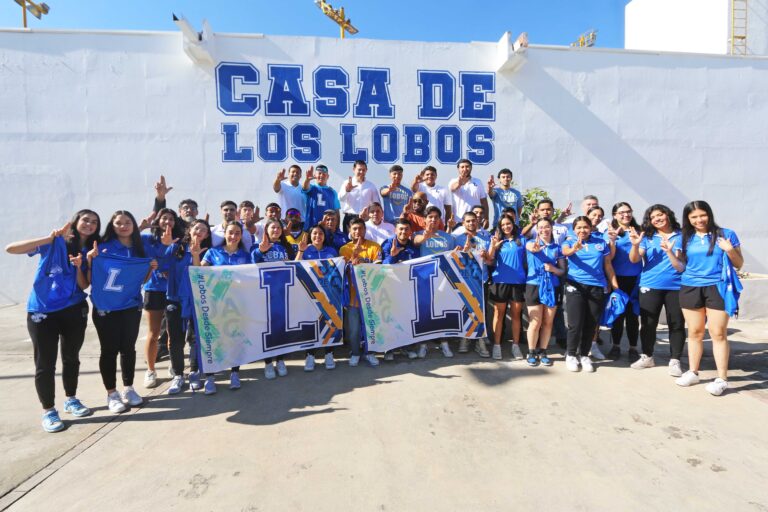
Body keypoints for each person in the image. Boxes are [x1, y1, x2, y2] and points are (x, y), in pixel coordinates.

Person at [6, 210, 100, 432]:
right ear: (76, 222)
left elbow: (84, 285)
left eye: (94, 222)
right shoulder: (54, 243)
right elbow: (11, 248)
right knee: (45, 364)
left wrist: (81, 265)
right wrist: (48, 238)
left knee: (71, 358)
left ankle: (71, 399)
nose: (89, 224)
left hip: (74, 309)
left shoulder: (91, 251)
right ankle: (49, 410)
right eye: (86, 220)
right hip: (42, 311)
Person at [88, 210, 161, 413]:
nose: (123, 226)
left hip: (130, 305)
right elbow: (92, 274)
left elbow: (141, 280)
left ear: (133, 224)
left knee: (128, 348)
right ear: (112, 225)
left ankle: (129, 388)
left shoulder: (139, 248)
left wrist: (150, 269)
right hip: (106, 307)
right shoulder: (102, 247)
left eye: (127, 222)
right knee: (109, 350)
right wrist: (89, 259)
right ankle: (112, 393)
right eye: (119, 222)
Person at [671, 200, 743, 396]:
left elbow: (739, 264)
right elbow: (680, 267)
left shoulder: (726, 234)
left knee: (718, 333)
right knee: (695, 332)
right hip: (690, 287)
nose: (699, 219)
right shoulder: (683, 238)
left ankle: (722, 379)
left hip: (717, 287)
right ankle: (693, 372)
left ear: (709, 214)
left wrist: (729, 249)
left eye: (702, 215)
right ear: (688, 219)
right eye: (693, 217)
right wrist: (669, 252)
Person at [628, 204, 686, 375]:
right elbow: (634, 259)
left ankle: (675, 360)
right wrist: (635, 245)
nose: (657, 219)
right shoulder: (647, 237)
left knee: (676, 323)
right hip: (650, 284)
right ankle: (647, 356)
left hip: (676, 286)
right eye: (653, 217)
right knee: (648, 323)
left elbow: (682, 264)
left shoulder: (682, 236)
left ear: (668, 215)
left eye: (660, 215)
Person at [198, 221, 251, 393]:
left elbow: (250, 277)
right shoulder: (213, 252)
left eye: (237, 233)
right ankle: (210, 378)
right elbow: (200, 272)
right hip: (214, 304)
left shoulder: (245, 255)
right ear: (224, 234)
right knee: (213, 341)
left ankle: (235, 374)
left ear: (241, 235)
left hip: (236, 304)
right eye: (230, 232)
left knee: (234, 339)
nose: (233, 236)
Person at [561, 216, 618, 373]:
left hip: (597, 287)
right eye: (578, 227)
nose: (582, 230)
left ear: (590, 228)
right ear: (574, 229)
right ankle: (571, 354)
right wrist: (575, 248)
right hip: (575, 285)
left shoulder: (600, 243)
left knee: (591, 324)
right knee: (575, 323)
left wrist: (615, 287)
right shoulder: (569, 241)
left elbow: (608, 265)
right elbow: (565, 251)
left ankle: (585, 355)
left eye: (585, 227)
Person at [164, 219, 211, 393]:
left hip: (197, 301)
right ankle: (177, 375)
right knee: (175, 340)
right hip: (175, 300)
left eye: (203, 230)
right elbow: (161, 265)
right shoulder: (176, 248)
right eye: (196, 227)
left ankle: (194, 372)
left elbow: (201, 274)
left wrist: (196, 255)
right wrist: (165, 247)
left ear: (207, 235)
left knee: (195, 339)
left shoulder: (207, 252)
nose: (199, 231)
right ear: (189, 230)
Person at [413, 207, 467, 358]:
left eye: (436, 217)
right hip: (424, 279)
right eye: (430, 217)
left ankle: (444, 344)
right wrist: (426, 236)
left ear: (440, 220)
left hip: (444, 279)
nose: (433, 220)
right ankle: (423, 345)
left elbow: (451, 256)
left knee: (443, 313)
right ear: (425, 219)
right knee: (425, 314)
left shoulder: (448, 237)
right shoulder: (418, 234)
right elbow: (416, 242)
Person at [141, 208, 184, 389]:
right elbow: (127, 240)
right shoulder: (147, 240)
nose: (168, 222)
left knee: (173, 333)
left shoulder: (179, 242)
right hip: (154, 290)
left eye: (171, 219)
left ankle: (174, 366)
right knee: (154, 332)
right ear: (157, 221)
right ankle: (150, 370)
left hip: (173, 291)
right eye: (164, 218)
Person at [252, 219, 297, 379]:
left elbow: (295, 265)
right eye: (273, 227)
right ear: (266, 229)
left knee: (281, 329)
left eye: (279, 227)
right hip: (265, 294)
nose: (276, 230)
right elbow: (251, 267)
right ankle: (268, 363)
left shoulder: (286, 247)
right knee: (266, 330)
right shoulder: (257, 246)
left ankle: (280, 359)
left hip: (282, 293)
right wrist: (260, 251)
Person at [296, 225, 340, 371]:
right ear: (310, 235)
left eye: (320, 233)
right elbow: (295, 265)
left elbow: (337, 269)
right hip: (310, 294)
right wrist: (301, 251)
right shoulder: (306, 250)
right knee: (312, 324)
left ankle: (329, 353)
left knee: (331, 324)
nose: (317, 236)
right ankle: (310, 355)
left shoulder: (332, 251)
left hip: (329, 294)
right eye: (314, 233)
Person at [339, 218, 382, 366]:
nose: (358, 232)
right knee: (354, 329)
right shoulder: (344, 249)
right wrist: (353, 257)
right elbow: (343, 272)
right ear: (350, 231)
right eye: (354, 229)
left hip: (370, 296)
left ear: (365, 230)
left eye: (360, 228)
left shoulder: (375, 247)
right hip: (352, 297)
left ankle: (369, 353)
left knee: (371, 327)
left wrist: (362, 260)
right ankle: (356, 353)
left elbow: (378, 268)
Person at [524, 217, 566, 367]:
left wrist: (554, 269)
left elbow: (562, 271)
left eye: (546, 227)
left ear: (551, 228)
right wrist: (536, 249)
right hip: (534, 285)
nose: (543, 230)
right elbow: (530, 248)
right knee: (535, 322)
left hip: (552, 286)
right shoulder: (531, 243)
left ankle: (543, 351)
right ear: (537, 229)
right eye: (540, 227)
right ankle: (531, 352)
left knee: (548, 323)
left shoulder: (557, 248)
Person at [487, 214, 527, 360]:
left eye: (508, 223)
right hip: (500, 281)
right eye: (503, 225)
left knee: (516, 315)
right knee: (499, 314)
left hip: (518, 282)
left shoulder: (521, 239)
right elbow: (489, 260)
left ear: (513, 224)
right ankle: (496, 346)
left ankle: (515, 346)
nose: (506, 227)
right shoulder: (496, 240)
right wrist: (494, 247)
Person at [606, 202, 642, 362]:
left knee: (633, 316)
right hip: (616, 278)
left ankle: (633, 348)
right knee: (618, 314)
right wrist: (612, 240)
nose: (625, 215)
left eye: (628, 212)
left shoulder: (640, 231)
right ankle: (616, 346)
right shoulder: (610, 232)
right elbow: (609, 259)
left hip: (636, 279)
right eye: (621, 212)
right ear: (614, 215)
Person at [381, 219, 421, 360]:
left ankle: (407, 347)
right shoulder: (388, 244)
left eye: (406, 229)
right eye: (401, 229)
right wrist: (392, 256)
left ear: (410, 232)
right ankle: (389, 349)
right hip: (390, 287)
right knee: (390, 318)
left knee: (407, 318)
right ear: (395, 230)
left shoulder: (413, 247)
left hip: (408, 288)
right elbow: (383, 266)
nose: (403, 232)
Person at [338, 160, 381, 233]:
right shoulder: (347, 183)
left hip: (365, 219)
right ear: (354, 170)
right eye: (359, 170)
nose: (361, 172)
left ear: (366, 170)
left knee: (365, 242)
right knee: (349, 243)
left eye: (363, 170)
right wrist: (347, 190)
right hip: (350, 218)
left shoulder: (370, 186)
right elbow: (341, 198)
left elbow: (377, 204)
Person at [448, 159, 489, 224]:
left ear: (471, 168)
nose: (465, 169)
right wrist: (459, 183)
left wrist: (486, 218)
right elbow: (453, 188)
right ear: (458, 169)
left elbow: (484, 201)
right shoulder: (453, 181)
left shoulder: (478, 182)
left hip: (475, 221)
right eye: (462, 167)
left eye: (467, 167)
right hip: (459, 220)